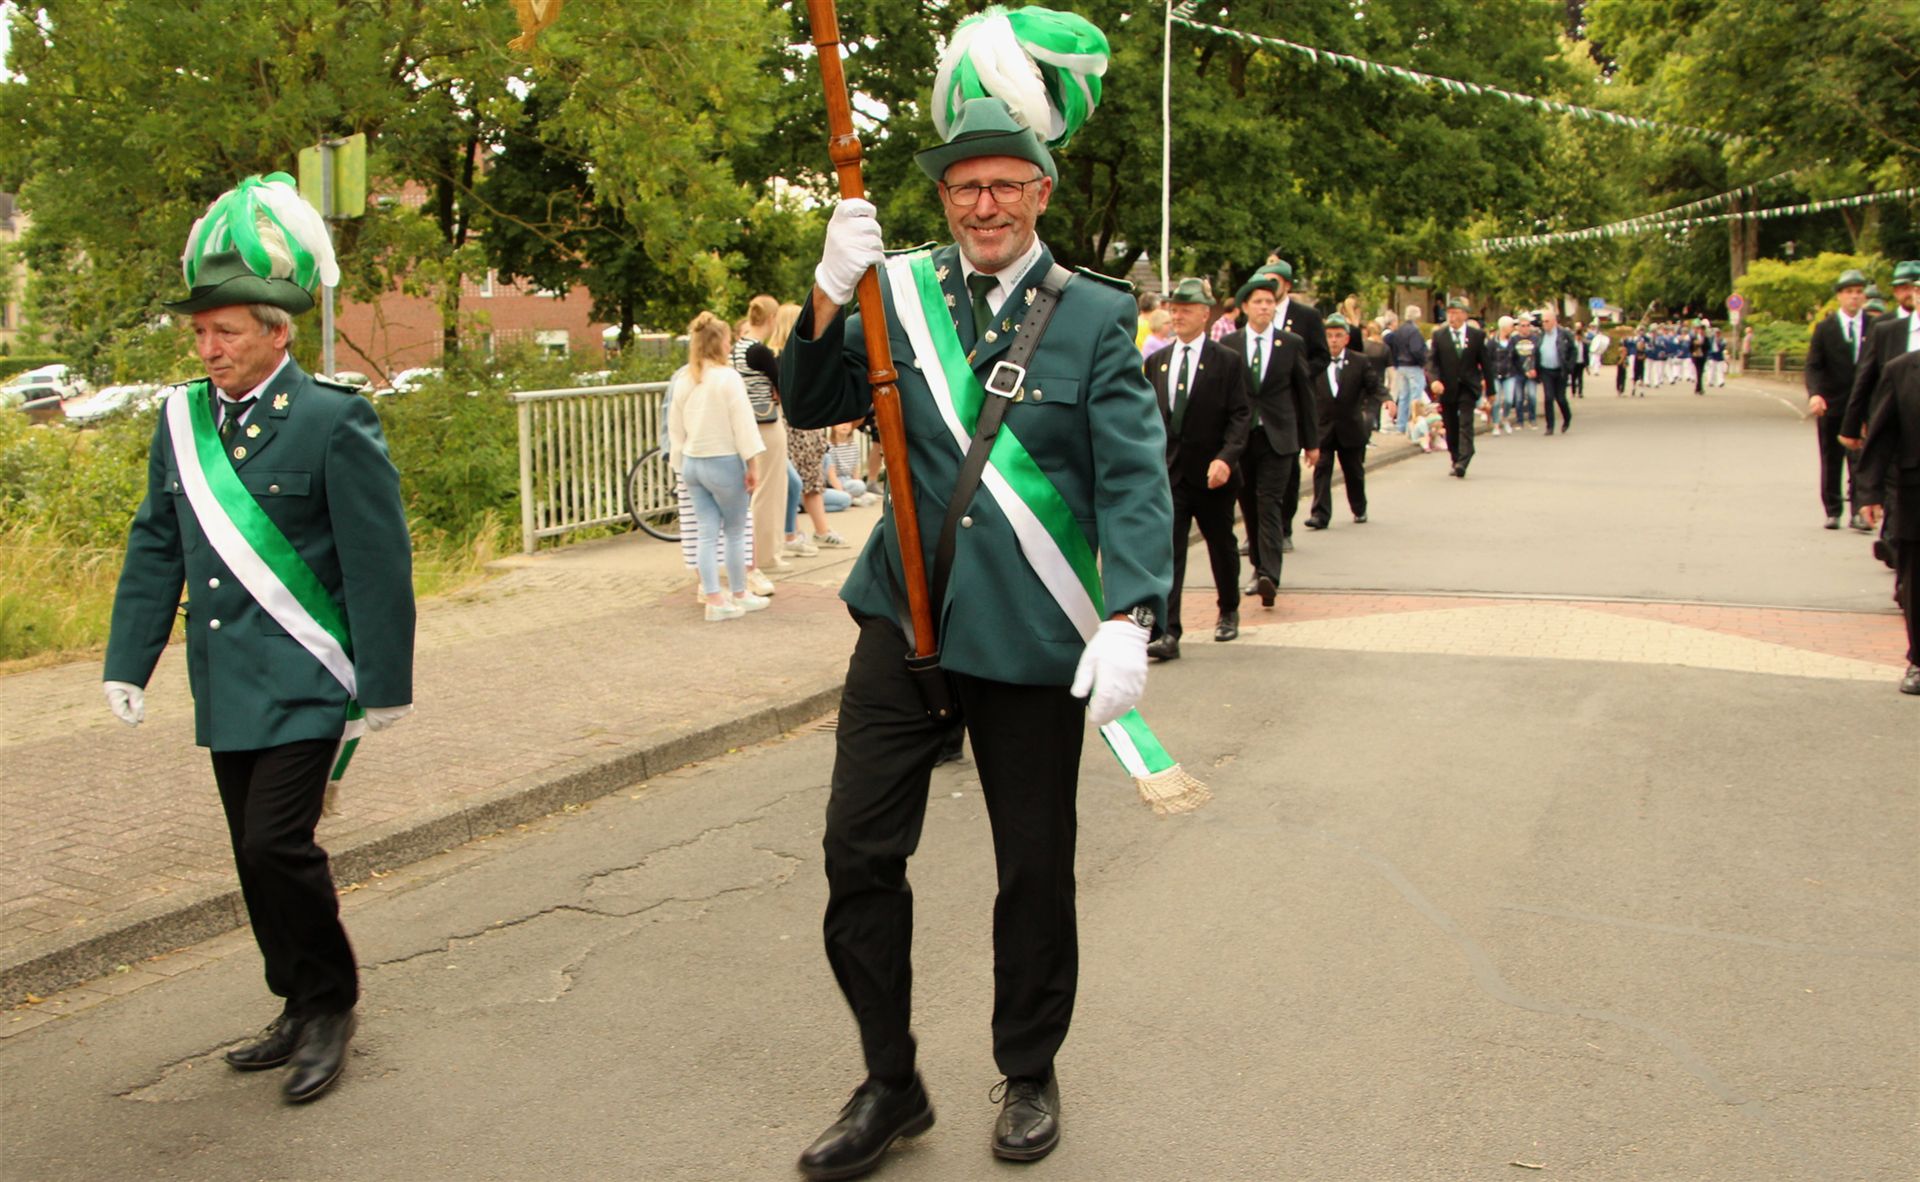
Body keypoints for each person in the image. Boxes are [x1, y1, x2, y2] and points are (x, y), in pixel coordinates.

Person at [779, 72, 1173, 1175]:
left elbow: (1132, 475)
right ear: (945, 198)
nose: (984, 205)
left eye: (1005, 185)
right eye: (965, 188)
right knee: (857, 850)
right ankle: (890, 1082)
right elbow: (811, 402)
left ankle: (1029, 1066)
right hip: (903, 617)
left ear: (1041, 192)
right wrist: (827, 291)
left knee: (1033, 865)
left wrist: (1131, 612)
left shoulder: (1093, 313)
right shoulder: (894, 293)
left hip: (1030, 628)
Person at [103, 175, 414, 1104]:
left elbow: (376, 559)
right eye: (201, 333)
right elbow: (157, 541)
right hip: (227, 678)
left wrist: (384, 682)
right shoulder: (180, 422)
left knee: (280, 844)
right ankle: (295, 999)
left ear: (278, 333)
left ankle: (332, 1005)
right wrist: (128, 660)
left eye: (226, 332)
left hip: (309, 675)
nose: (209, 350)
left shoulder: (332, 417)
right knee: (250, 853)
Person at [1145, 277, 1250, 660]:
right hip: (1171, 475)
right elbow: (1148, 417)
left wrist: (1226, 458)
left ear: (1205, 314)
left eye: (1186, 310)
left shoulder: (1227, 361)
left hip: (1213, 474)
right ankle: (1168, 630)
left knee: (1221, 544)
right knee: (1170, 551)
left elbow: (1241, 415)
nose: (1178, 316)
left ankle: (1228, 610)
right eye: (1174, 310)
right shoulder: (1156, 362)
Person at [1220, 270, 1317, 606]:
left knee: (1269, 502)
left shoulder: (1290, 344)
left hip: (1279, 436)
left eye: (1270, 302)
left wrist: (1312, 442)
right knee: (1248, 504)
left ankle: (1269, 575)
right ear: (1245, 307)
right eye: (1258, 302)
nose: (1265, 307)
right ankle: (1258, 566)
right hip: (1242, 438)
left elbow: (1305, 394)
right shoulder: (1230, 345)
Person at [670, 312, 769, 621]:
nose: (730, 346)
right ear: (718, 343)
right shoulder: (728, 378)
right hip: (723, 461)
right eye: (727, 341)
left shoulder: (685, 378)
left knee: (706, 533)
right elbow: (743, 425)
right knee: (736, 531)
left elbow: (675, 429)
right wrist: (752, 464)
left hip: (692, 463)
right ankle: (740, 592)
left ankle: (713, 597)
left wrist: (679, 463)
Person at [1855, 347, 1920, 695]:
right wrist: (1870, 492)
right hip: (1916, 493)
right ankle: (1919, 660)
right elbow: (1882, 435)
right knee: (1916, 581)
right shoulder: (1901, 370)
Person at [1805, 269, 1876, 530]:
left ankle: (1859, 511)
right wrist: (1815, 394)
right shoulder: (1825, 328)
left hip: (1863, 406)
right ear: (1839, 296)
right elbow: (1814, 365)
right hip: (1832, 404)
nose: (1854, 297)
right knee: (1831, 458)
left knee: (1861, 459)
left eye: (1858, 292)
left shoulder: (1875, 326)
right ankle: (1833, 510)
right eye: (1849, 292)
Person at [1307, 314, 1384, 528]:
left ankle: (1359, 507)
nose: (1333, 340)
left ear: (1346, 339)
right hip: (1323, 426)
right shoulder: (1315, 362)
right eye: (1329, 336)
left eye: (1338, 335)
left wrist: (1385, 400)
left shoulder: (1359, 361)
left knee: (1353, 471)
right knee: (1322, 470)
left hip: (1350, 426)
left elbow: (1374, 386)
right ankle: (1320, 514)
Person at [733, 294, 785, 596]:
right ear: (771, 318)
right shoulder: (760, 351)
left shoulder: (736, 349)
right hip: (766, 423)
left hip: (743, 425)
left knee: (753, 489)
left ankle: (754, 552)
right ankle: (766, 553)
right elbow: (781, 384)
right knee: (769, 489)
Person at [1425, 296, 1495, 478]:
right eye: (1449, 313)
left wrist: (1491, 390)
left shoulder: (1476, 336)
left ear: (1464, 315)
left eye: (1456, 313)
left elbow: (1486, 364)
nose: (1452, 317)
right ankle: (1455, 458)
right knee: (1451, 425)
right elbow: (1432, 362)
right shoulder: (1440, 335)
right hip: (1447, 387)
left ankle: (1464, 459)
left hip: (1468, 387)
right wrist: (1434, 381)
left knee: (1465, 423)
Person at [1530, 306, 1577, 436]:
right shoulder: (1540, 335)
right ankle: (1549, 426)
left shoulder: (1564, 334)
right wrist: (1533, 367)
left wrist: (1569, 366)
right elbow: (1535, 353)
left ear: (1554, 321)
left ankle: (1567, 418)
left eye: (1547, 321)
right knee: (1548, 397)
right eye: (1543, 321)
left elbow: (1573, 350)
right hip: (1546, 370)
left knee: (1560, 398)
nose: (1544, 324)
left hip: (1560, 370)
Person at [1387, 303, 1430, 435]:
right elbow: (1416, 349)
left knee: (1403, 396)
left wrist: (1396, 363)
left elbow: (1393, 347)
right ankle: (1413, 425)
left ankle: (1401, 425)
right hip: (1413, 365)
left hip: (1401, 365)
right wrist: (1423, 362)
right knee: (1415, 397)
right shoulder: (1414, 331)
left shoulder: (1399, 330)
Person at [822, 421, 877, 512]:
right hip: (835, 482)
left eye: (848, 423)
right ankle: (850, 498)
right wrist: (842, 492)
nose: (844, 426)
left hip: (849, 481)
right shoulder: (830, 447)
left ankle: (853, 499)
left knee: (865, 491)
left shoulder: (854, 446)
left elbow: (855, 472)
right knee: (858, 486)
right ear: (833, 426)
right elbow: (831, 476)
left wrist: (861, 488)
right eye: (841, 423)